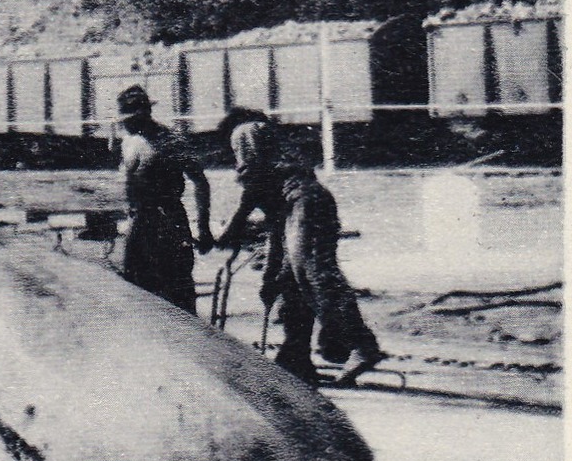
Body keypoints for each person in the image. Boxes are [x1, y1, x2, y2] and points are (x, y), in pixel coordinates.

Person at [216, 108, 383, 386]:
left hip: (303, 202)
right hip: (301, 204)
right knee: (288, 282)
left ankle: (360, 343)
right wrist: (270, 275)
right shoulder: (268, 137)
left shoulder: (245, 131)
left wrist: (231, 230)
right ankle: (295, 357)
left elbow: (253, 187)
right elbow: (274, 222)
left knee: (314, 276)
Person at [116, 86, 213, 313]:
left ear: (144, 115)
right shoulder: (128, 141)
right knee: (135, 292)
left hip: (169, 221)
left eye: (128, 119)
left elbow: (200, 181)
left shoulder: (170, 141)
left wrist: (204, 227)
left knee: (177, 294)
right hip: (139, 223)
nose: (124, 124)